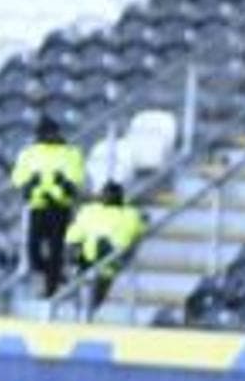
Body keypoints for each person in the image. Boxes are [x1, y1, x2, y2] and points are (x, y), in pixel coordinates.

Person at [11, 115, 86, 297]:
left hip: (59, 208)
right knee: (33, 252)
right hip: (38, 206)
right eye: (45, 132)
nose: (48, 136)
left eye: (51, 132)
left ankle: (50, 289)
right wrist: (32, 186)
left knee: (55, 250)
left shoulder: (70, 153)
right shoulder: (29, 153)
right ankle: (55, 275)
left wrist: (58, 189)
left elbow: (74, 178)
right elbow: (19, 176)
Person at [65, 182, 146, 315]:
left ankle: (88, 311)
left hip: (111, 258)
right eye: (106, 194)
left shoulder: (130, 213)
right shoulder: (90, 210)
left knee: (100, 280)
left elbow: (138, 230)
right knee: (86, 276)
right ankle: (83, 309)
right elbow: (75, 233)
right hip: (90, 257)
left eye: (111, 194)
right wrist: (72, 251)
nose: (108, 197)